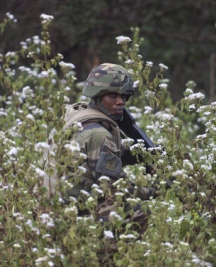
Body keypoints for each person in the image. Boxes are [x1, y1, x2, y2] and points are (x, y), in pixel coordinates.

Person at [62, 63, 154, 236]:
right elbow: (113, 189)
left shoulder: (79, 115)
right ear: (97, 96)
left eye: (124, 96)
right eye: (112, 95)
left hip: (58, 200)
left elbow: (93, 158)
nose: (121, 102)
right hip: (71, 211)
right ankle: (107, 260)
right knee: (135, 212)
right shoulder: (99, 134)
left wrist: (139, 155)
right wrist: (155, 188)